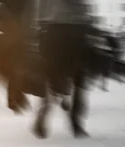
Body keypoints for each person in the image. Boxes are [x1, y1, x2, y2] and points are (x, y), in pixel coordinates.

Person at [34, 0, 91, 139]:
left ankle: (43, 118)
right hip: (69, 31)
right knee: (76, 78)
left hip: (55, 31)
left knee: (55, 79)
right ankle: (74, 123)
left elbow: (40, 10)